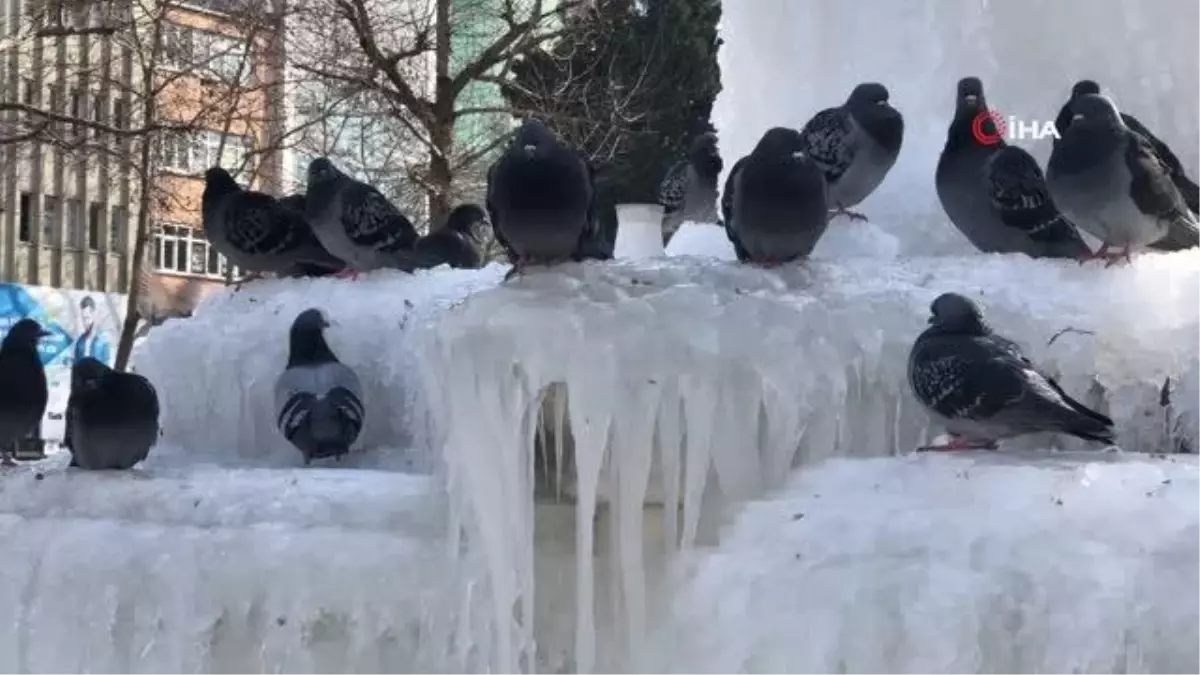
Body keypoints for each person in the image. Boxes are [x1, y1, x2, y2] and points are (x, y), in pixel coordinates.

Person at [73, 296, 112, 365]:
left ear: (94, 315)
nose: (85, 323)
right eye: (83, 318)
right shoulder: (80, 341)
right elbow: (76, 364)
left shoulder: (103, 340)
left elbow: (107, 365)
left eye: (87, 318)